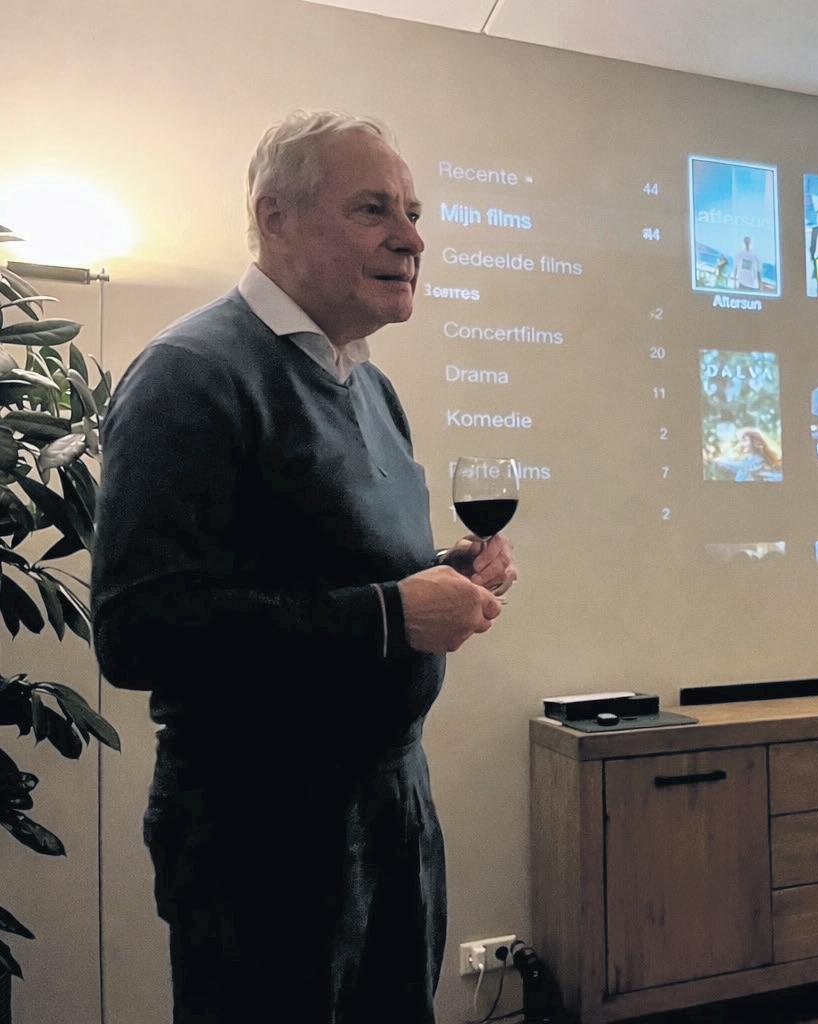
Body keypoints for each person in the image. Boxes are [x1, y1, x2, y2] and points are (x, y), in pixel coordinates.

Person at [90, 111, 515, 1024]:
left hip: (393, 803)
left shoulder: (371, 385)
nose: (411, 239)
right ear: (273, 216)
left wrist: (441, 573)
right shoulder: (189, 373)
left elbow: (326, 565)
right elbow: (137, 631)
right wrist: (392, 615)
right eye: (373, 209)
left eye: (412, 213)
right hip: (261, 828)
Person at [712, 427, 782, 481]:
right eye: (741, 441)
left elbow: (737, 465)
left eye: (745, 440)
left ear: (755, 442)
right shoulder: (750, 458)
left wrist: (717, 460)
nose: (741, 444)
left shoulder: (756, 459)